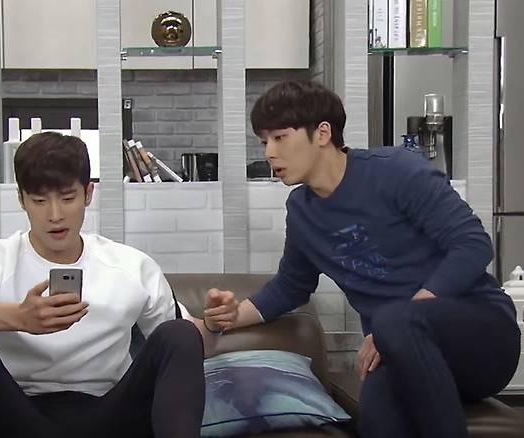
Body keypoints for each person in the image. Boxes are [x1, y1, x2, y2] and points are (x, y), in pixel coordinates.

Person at [205, 80, 521, 438]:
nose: (269, 153)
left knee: (392, 320)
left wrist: (396, 323)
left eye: (280, 138)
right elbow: (290, 287)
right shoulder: (302, 211)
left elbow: (473, 244)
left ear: (322, 133)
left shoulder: (396, 171)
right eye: (265, 142)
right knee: (377, 415)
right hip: (398, 352)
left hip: (482, 339)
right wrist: (231, 316)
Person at [0, 132, 238, 438]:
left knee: (180, 332)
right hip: (15, 414)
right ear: (22, 199)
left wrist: (212, 324)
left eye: (67, 197)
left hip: (108, 416)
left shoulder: (131, 265)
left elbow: (187, 345)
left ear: (88, 193)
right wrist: (18, 318)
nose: (55, 215)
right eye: (39, 201)